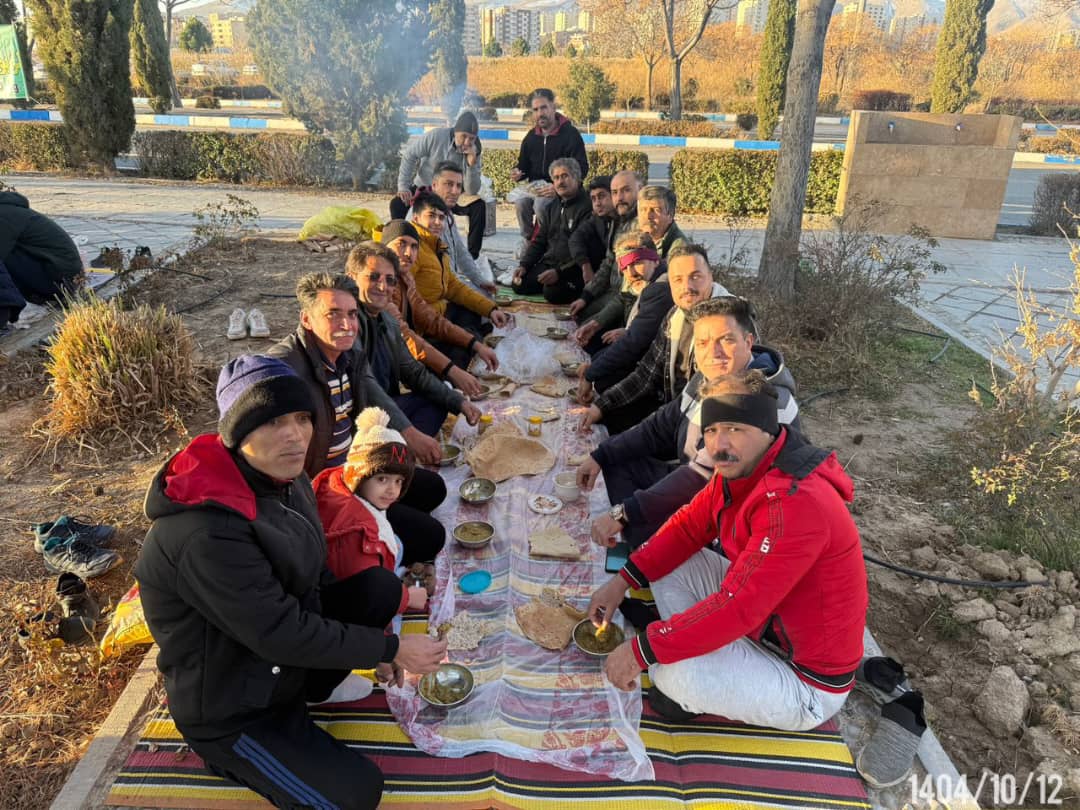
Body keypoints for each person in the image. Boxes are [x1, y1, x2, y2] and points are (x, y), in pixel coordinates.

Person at [136, 355, 448, 810]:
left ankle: (316, 689)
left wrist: (372, 644)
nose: (296, 435)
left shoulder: (287, 479)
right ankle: (230, 753)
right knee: (355, 795)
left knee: (380, 588)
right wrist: (389, 649)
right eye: (273, 421)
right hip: (236, 704)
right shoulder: (206, 531)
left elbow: (317, 574)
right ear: (238, 432)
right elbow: (280, 632)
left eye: (302, 418)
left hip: (283, 665)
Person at [587, 369, 868, 730]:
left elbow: (739, 607)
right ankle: (700, 647)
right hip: (767, 625)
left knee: (671, 675)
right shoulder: (744, 468)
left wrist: (642, 652)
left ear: (766, 428)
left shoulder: (795, 502)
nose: (719, 444)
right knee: (669, 561)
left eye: (734, 428)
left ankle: (696, 662)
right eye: (711, 430)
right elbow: (688, 527)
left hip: (804, 679)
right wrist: (621, 582)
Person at [577, 295, 799, 551]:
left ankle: (650, 556)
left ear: (748, 342)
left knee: (637, 517)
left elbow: (702, 477)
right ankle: (643, 547)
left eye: (726, 340)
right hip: (693, 482)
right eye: (703, 343)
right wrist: (601, 454)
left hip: (730, 516)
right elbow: (659, 427)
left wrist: (625, 513)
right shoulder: (709, 377)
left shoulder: (764, 401)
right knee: (616, 461)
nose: (713, 352)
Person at [268, 273, 449, 565]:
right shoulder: (282, 368)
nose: (346, 324)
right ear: (306, 319)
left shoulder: (350, 353)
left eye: (352, 314)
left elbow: (383, 392)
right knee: (431, 537)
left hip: (354, 468)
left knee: (433, 489)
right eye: (333, 314)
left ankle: (379, 520)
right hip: (323, 490)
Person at [578, 244, 730, 433]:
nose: (687, 287)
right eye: (678, 279)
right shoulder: (676, 315)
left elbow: (697, 405)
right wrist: (600, 406)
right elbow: (646, 373)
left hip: (699, 426)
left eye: (695, 277)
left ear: (711, 276)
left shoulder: (727, 323)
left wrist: (644, 431)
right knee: (602, 417)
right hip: (670, 405)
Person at [345, 241, 482, 437]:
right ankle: (394, 447)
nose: (383, 286)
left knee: (440, 399)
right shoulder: (347, 322)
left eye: (390, 280)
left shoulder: (387, 319)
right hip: (358, 416)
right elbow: (366, 386)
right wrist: (409, 433)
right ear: (352, 277)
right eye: (374, 277)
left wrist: (457, 402)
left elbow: (413, 372)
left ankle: (398, 446)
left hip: (386, 407)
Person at [313, 407, 431, 621]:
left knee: (404, 539)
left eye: (398, 481)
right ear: (359, 475)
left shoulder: (343, 482)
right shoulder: (356, 533)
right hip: (351, 610)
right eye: (382, 479)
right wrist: (405, 598)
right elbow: (369, 595)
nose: (392, 490)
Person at [376, 219, 497, 395]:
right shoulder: (381, 287)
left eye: (414, 247)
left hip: (416, 342)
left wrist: (475, 344)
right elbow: (405, 338)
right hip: (393, 363)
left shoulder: (407, 276)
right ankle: (444, 386)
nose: (408, 253)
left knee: (466, 340)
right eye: (401, 244)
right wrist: (451, 370)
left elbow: (431, 318)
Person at [409, 190, 511, 337]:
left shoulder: (438, 247)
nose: (437, 223)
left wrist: (491, 309)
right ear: (416, 218)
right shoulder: (411, 250)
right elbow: (408, 305)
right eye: (431, 216)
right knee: (468, 338)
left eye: (441, 218)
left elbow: (454, 287)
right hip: (424, 324)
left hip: (440, 311)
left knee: (473, 311)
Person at [393, 111, 486, 258]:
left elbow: (471, 190)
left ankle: (472, 256)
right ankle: (401, 249)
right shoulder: (436, 136)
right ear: (455, 131)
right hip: (425, 189)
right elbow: (410, 155)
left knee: (479, 207)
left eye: (472, 138)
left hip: (453, 194)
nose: (467, 142)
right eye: (464, 136)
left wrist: (471, 164)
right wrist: (403, 186)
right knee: (397, 204)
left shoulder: (475, 149)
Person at [511, 88, 589, 256]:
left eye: (544, 107)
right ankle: (528, 241)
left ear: (553, 107)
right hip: (536, 187)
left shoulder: (570, 134)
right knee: (521, 203)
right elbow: (523, 166)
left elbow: (582, 167)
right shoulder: (531, 137)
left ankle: (547, 242)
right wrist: (518, 173)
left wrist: (558, 187)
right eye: (535, 109)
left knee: (541, 205)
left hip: (561, 189)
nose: (540, 113)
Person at [574, 231, 672, 361]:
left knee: (599, 360)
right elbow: (623, 298)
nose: (631, 273)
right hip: (630, 332)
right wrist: (595, 325)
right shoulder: (639, 280)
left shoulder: (662, 287)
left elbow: (650, 331)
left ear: (655, 260)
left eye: (637, 262)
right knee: (590, 340)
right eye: (625, 267)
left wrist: (628, 333)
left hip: (649, 350)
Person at [0, 188, 83, 332]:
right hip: (61, 274)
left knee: (5, 260)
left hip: (59, 281)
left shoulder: (4, 216)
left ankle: (12, 304)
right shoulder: (9, 210)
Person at [510, 157, 591, 304]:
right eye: (556, 178)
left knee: (552, 293)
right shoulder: (553, 206)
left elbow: (586, 251)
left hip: (574, 269)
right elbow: (540, 240)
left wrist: (559, 273)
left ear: (577, 178)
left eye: (565, 176)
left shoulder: (587, 207)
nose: (560, 182)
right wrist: (524, 265)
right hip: (550, 263)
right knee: (518, 283)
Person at [568, 170, 641, 324]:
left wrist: (598, 322)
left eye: (626, 191)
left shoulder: (641, 225)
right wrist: (585, 296)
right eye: (615, 193)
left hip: (627, 300)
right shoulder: (615, 221)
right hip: (613, 292)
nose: (620, 198)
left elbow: (631, 290)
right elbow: (608, 263)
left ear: (640, 191)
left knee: (588, 326)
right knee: (579, 314)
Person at [424, 161, 494, 292]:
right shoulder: (425, 215)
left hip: (447, 283)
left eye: (458, 186)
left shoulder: (447, 212)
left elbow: (460, 252)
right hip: (432, 290)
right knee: (483, 299)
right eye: (449, 184)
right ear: (434, 185)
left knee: (486, 293)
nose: (455, 191)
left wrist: (480, 281)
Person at [568, 175, 615, 284]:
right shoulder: (597, 219)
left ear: (614, 195)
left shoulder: (624, 220)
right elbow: (575, 239)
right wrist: (585, 265)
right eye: (593, 199)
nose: (597, 203)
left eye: (601, 196)